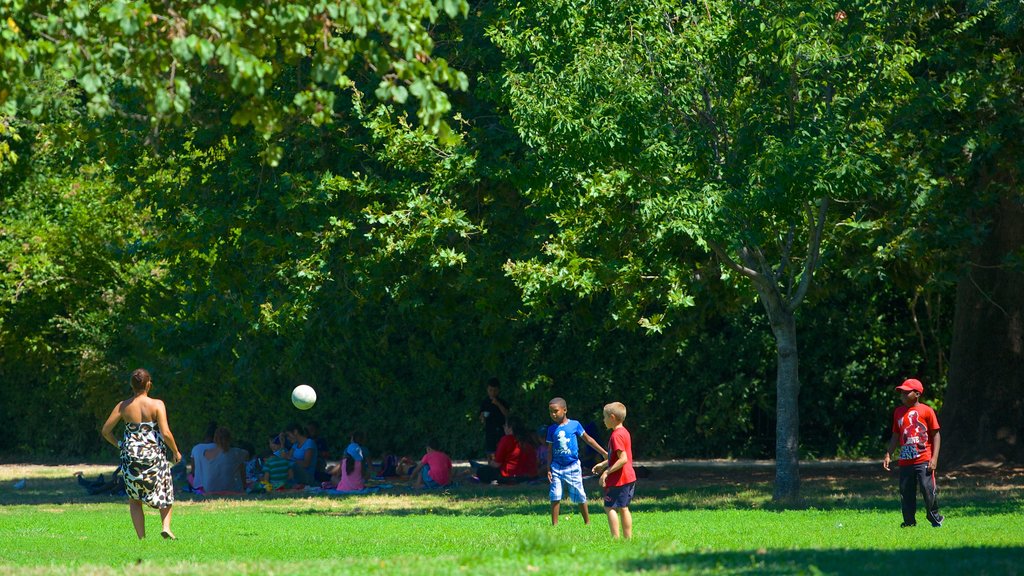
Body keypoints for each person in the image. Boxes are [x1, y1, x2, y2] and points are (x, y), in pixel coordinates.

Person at [100, 368, 181, 540]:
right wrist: (175, 451)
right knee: (164, 490)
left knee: (134, 498)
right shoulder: (157, 404)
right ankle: (166, 527)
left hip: (130, 455)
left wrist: (120, 445)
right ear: (149, 384)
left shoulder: (123, 406)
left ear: (132, 385)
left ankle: (141, 538)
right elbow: (165, 433)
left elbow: (106, 431)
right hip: (154, 454)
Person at [883, 378, 944, 528]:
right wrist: (888, 454)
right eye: (901, 393)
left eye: (906, 392)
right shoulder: (898, 412)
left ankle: (934, 517)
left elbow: (936, 435)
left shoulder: (926, 411)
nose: (902, 395)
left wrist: (934, 458)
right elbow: (896, 436)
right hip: (905, 461)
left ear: (917, 394)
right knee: (906, 492)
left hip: (923, 459)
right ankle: (909, 522)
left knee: (927, 489)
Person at [546, 397, 607, 525]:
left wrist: (603, 453)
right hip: (556, 467)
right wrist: (549, 468)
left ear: (565, 410)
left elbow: (588, 439)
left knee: (579, 494)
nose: (553, 414)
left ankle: (587, 522)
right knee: (555, 495)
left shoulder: (575, 425)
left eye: (556, 411)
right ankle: (554, 524)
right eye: (551, 412)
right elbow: (550, 450)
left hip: (572, 466)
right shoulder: (551, 429)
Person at [591, 402, 636, 539]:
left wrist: (606, 472)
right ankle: (628, 538)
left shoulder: (616, 435)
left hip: (619, 479)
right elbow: (617, 457)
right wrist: (603, 464)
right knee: (623, 508)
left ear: (612, 417)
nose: (603, 420)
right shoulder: (624, 432)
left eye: (604, 417)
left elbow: (623, 459)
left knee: (609, 507)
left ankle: (615, 538)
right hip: (629, 477)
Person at [473, 416, 539, 484]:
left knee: (482, 471)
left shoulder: (506, 440)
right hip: (530, 476)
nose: (504, 427)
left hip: (510, 476)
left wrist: (491, 463)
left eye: (505, 425)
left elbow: (497, 464)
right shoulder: (528, 439)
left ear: (510, 428)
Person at [202, 427, 249, 493]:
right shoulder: (237, 452)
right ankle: (244, 486)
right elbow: (247, 455)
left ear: (215, 439)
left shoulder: (207, 453)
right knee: (241, 463)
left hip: (210, 489)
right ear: (229, 439)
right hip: (232, 490)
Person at [479, 378, 511, 458]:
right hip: (490, 431)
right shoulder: (485, 402)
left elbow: (507, 414)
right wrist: (482, 417)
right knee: (490, 453)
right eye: (490, 390)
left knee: (502, 453)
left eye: (495, 390)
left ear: (498, 390)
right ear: (487, 390)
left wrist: (498, 404)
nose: (492, 393)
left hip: (501, 430)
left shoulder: (502, 402)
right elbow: (481, 417)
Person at [188, 421, 218, 492]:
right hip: (216, 484)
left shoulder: (196, 448)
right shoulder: (219, 448)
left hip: (198, 486)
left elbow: (193, 470)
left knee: (189, 476)